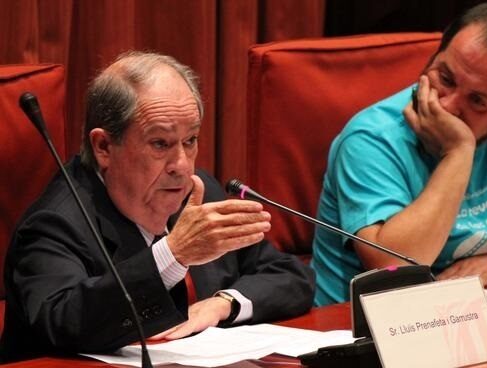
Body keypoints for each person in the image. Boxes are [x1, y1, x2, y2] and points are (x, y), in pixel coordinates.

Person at [0, 51, 315, 362]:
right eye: (160, 144)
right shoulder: (54, 223)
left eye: (190, 140)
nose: (181, 165)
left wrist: (222, 304)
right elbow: (66, 321)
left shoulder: (195, 190)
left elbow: (291, 276)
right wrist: (173, 254)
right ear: (104, 147)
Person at [311, 3, 487, 306]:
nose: (447, 106)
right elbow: (395, 267)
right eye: (445, 78)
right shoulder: (371, 137)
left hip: (479, 321)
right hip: (365, 333)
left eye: (477, 100)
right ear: (434, 55)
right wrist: (459, 151)